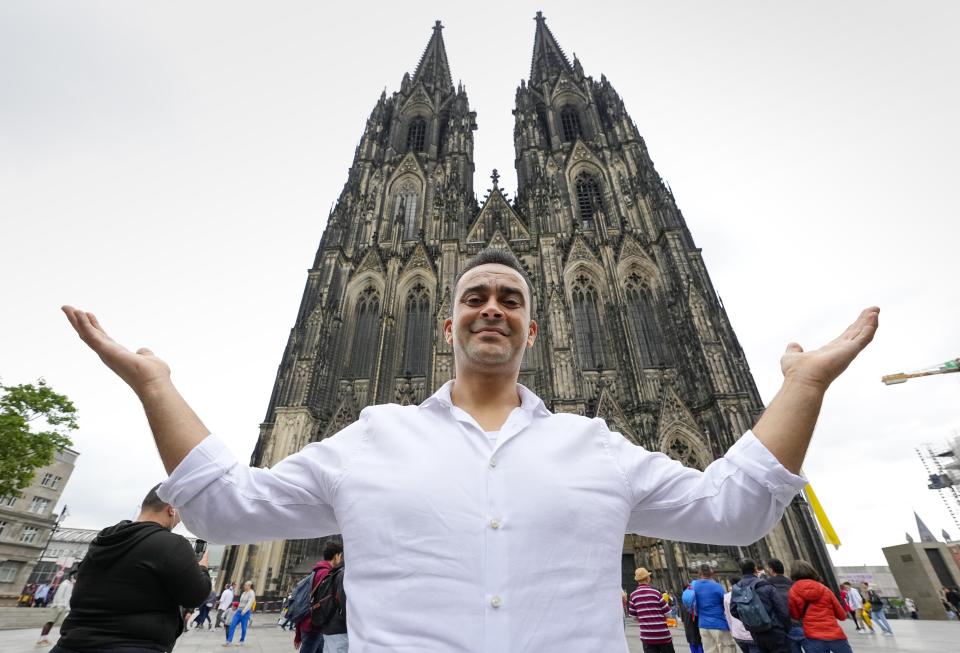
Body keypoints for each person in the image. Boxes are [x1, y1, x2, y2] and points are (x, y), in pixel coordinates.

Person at [62, 250, 880, 652]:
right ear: (448, 324)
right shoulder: (372, 438)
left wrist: (803, 387)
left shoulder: (593, 443)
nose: (492, 309)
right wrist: (154, 386)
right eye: (474, 297)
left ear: (534, 326)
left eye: (511, 299)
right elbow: (220, 505)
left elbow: (734, 509)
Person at [51, 484, 211, 653]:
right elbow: (195, 597)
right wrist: (202, 568)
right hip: (131, 645)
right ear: (171, 509)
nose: (179, 521)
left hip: (69, 644)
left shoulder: (104, 539)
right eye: (181, 514)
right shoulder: (172, 543)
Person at [787, 560, 850, 653]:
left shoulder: (792, 592)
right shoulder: (824, 589)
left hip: (813, 636)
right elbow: (842, 616)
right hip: (834, 633)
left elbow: (795, 615)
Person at [295, 539, 345, 653]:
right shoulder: (327, 575)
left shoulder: (315, 572)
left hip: (310, 626)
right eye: (340, 556)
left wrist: (298, 633)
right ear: (336, 556)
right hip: (314, 627)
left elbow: (304, 601)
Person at [731, 559, 790, 653]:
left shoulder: (737, 588)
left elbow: (733, 611)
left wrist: (750, 619)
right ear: (755, 569)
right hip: (774, 629)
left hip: (755, 632)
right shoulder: (765, 585)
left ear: (741, 571)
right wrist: (786, 628)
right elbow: (782, 610)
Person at [628, 567, 675, 653]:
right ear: (648, 578)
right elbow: (668, 613)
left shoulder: (633, 595)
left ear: (637, 580)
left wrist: (644, 619)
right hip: (662, 635)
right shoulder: (656, 593)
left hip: (647, 637)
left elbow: (633, 617)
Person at [691, 565, 735, 653]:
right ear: (712, 573)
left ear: (699, 573)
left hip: (703, 625)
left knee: (710, 650)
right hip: (719, 623)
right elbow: (725, 603)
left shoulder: (694, 586)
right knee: (726, 649)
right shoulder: (717, 586)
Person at [765, 558, 804, 653]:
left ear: (771, 570)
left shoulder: (766, 586)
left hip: (782, 628)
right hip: (801, 625)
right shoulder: (794, 584)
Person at [36, 572, 75, 646]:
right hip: (58, 606)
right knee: (50, 621)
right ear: (72, 577)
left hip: (63, 606)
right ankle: (40, 640)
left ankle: (44, 638)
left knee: (52, 623)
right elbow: (59, 595)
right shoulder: (65, 584)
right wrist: (59, 605)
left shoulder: (70, 585)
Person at [723, 576, 756, 653]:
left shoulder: (726, 597)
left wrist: (732, 631)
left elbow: (728, 616)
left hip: (737, 633)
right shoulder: (750, 593)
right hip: (751, 633)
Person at [224, 581, 256, 646]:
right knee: (232, 625)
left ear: (249, 586)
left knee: (244, 627)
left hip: (245, 612)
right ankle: (229, 641)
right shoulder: (243, 593)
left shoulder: (251, 593)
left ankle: (242, 640)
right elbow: (240, 602)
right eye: (244, 585)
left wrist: (244, 611)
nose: (244, 586)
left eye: (246, 585)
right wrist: (237, 609)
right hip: (238, 611)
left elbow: (250, 603)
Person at [680, 582, 704, 653]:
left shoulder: (683, 605)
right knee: (699, 644)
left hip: (688, 628)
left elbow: (682, 619)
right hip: (697, 627)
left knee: (692, 644)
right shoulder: (696, 602)